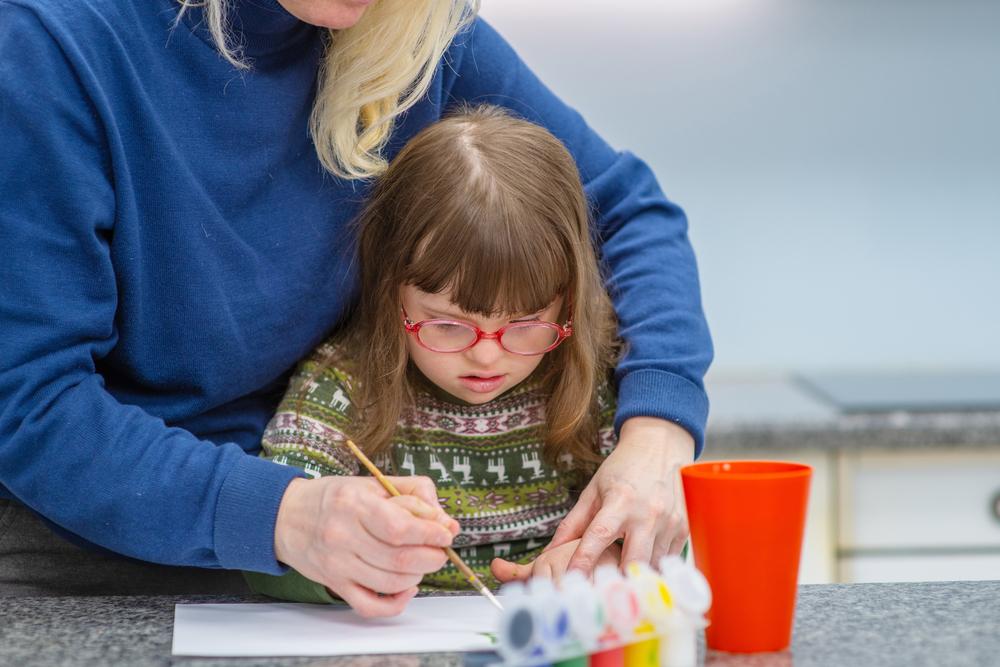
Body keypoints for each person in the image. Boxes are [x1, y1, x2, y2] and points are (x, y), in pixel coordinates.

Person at [0, 0, 712, 612]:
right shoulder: (50, 44)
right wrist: (285, 513)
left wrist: (657, 433)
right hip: (88, 569)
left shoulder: (412, 31)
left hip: (329, 575)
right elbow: (33, 404)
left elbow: (625, 211)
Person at [244, 106, 625, 606]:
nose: (487, 358)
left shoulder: (594, 376)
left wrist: (614, 559)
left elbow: (663, 526)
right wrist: (345, 563)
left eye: (526, 325)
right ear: (390, 290)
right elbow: (266, 556)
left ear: (568, 300)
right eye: (447, 325)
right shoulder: (339, 388)